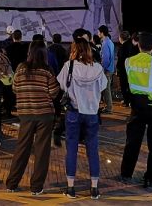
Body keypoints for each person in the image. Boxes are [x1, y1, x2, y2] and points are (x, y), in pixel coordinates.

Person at [5, 40, 60, 195]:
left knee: (22, 148)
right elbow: (54, 92)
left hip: (26, 114)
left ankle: (12, 184)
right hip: (45, 114)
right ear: (44, 53)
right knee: (42, 151)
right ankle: (36, 187)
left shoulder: (21, 68)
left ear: (29, 52)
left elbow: (14, 88)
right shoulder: (47, 70)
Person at [56, 37, 107, 200]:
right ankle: (94, 188)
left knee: (71, 149)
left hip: (73, 112)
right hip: (92, 113)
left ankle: (71, 188)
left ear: (74, 49)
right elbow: (103, 86)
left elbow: (62, 85)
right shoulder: (97, 68)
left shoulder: (69, 66)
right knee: (93, 149)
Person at [120, 31, 152, 188]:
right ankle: (151, 178)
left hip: (136, 107)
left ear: (139, 45)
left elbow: (124, 81)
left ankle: (126, 173)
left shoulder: (128, 61)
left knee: (132, 142)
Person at [98, 25, 115, 113]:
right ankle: (108, 106)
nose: (98, 33)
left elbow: (105, 59)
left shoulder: (105, 43)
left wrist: (103, 69)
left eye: (98, 32)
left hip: (107, 69)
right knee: (107, 88)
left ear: (102, 33)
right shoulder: (110, 42)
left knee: (106, 89)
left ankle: (109, 108)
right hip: (110, 68)